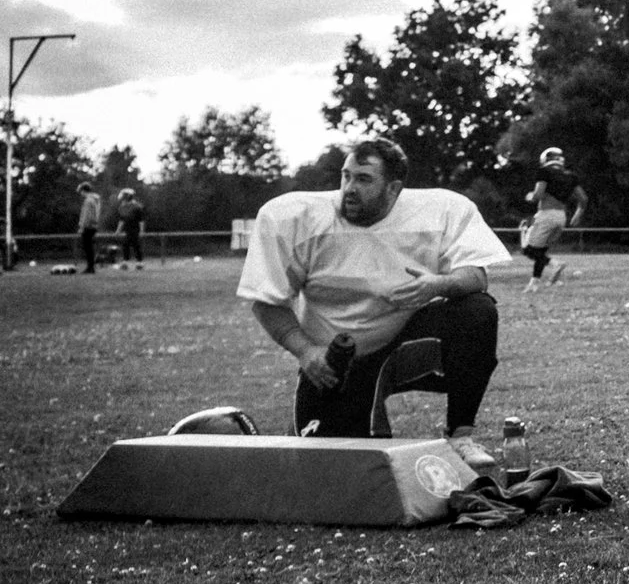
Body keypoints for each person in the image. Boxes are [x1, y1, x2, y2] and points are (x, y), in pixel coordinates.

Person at [237, 137, 508, 455]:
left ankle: (460, 435)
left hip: (402, 348)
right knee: (346, 463)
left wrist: (438, 284)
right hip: (332, 364)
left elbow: (476, 276)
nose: (349, 188)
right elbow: (266, 301)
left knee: (477, 311)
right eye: (346, 175)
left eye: (364, 179)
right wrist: (306, 351)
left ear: (393, 189)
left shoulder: (443, 209)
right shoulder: (293, 217)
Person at [521, 147, 585, 290]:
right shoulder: (571, 176)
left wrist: (530, 196)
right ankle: (534, 283)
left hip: (546, 214)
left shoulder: (544, 172)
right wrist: (577, 214)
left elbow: (538, 195)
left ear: (546, 159)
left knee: (528, 249)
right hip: (561, 216)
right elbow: (583, 199)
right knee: (541, 251)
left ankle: (555, 264)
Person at [115, 186, 147, 269]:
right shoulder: (123, 207)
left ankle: (139, 263)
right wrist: (118, 230)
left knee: (136, 245)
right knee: (125, 245)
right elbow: (122, 220)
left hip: (135, 229)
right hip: (127, 230)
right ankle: (125, 262)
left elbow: (141, 220)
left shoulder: (137, 207)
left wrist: (141, 231)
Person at [76, 181, 102, 274]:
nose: (80, 193)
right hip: (94, 225)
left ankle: (90, 267)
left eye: (81, 191)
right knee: (90, 247)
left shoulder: (88, 200)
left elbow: (86, 215)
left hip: (88, 226)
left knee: (88, 248)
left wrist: (82, 227)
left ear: (83, 190)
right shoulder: (95, 199)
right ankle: (91, 266)